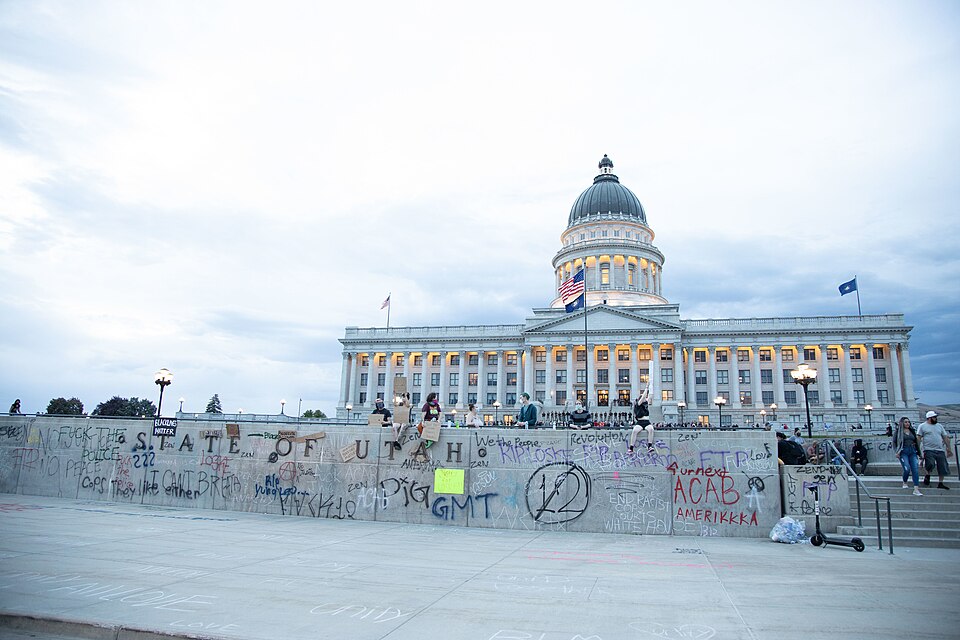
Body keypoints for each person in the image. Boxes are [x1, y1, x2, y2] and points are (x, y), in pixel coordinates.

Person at [917, 410, 952, 490]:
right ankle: (928, 475)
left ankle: (940, 482)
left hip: (940, 449)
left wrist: (948, 448)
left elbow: (945, 437)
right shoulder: (922, 426)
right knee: (930, 464)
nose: (936, 418)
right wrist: (918, 450)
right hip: (928, 449)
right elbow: (919, 438)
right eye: (934, 417)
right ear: (929, 418)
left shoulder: (939, 426)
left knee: (942, 466)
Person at [893, 416, 923, 496]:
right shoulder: (898, 431)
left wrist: (919, 453)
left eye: (908, 422)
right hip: (903, 451)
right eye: (906, 422)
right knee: (907, 468)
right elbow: (894, 442)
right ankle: (905, 481)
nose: (907, 423)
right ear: (902, 423)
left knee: (915, 469)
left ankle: (916, 488)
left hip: (912, 451)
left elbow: (916, 442)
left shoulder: (912, 431)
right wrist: (897, 451)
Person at [628, 383, 654, 454]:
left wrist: (651, 388)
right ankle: (631, 447)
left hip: (647, 422)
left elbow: (650, 397)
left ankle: (649, 446)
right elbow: (643, 397)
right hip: (640, 422)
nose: (645, 399)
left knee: (651, 429)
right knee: (635, 431)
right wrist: (646, 388)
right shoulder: (638, 404)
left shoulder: (645, 405)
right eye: (644, 399)